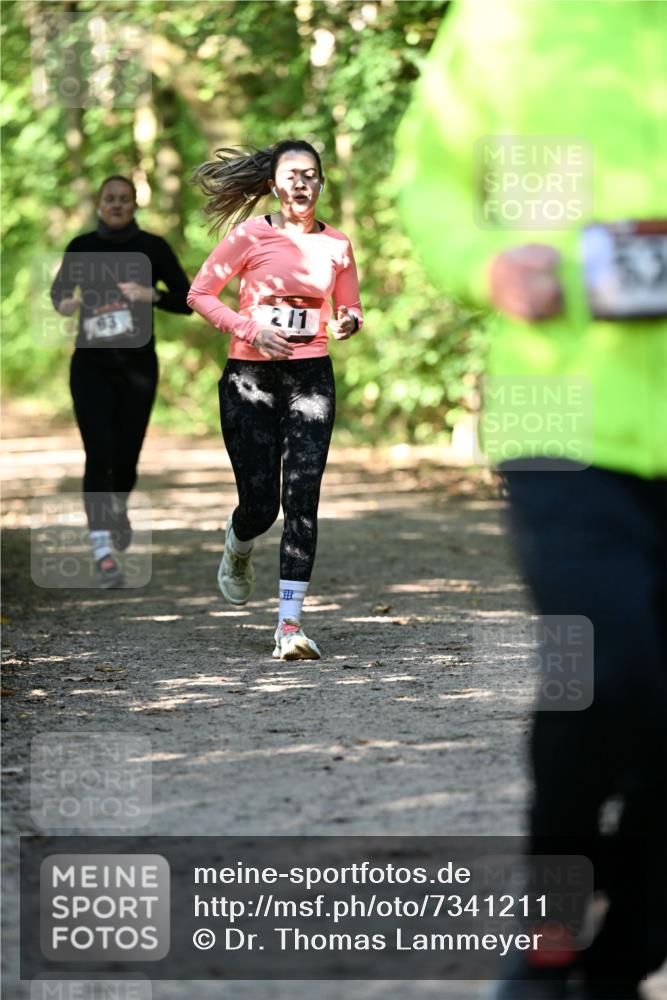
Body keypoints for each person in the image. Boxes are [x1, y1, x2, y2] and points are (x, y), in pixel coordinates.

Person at [395, 2, 666, 998]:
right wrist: (485, 263)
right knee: (610, 669)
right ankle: (551, 921)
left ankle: (620, 953)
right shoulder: (504, 21)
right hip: (561, 409)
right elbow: (430, 184)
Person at [187, 139, 363, 660]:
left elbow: (349, 306)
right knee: (262, 506)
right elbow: (199, 294)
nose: (300, 183)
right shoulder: (250, 235)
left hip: (312, 376)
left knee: (302, 500)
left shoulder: (339, 245)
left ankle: (290, 625)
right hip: (249, 378)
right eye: (291, 175)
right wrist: (249, 329)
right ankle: (239, 544)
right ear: (274, 184)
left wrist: (350, 320)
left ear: (322, 183)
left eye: (310, 174)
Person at [51, 175, 192, 587]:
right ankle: (102, 551)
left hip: (138, 369)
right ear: (98, 204)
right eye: (109, 199)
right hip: (90, 367)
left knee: (126, 457)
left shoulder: (152, 248)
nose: (116, 205)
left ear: (134, 205)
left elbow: (186, 299)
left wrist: (150, 295)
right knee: (99, 452)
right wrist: (67, 304)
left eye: (124, 199)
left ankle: (118, 507)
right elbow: (58, 295)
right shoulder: (80, 247)